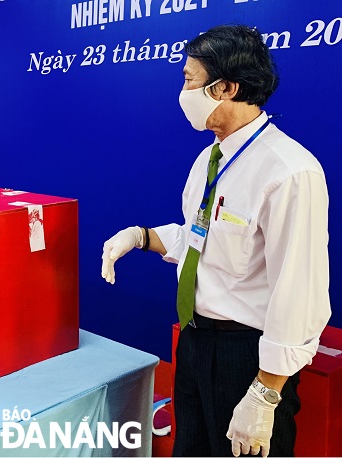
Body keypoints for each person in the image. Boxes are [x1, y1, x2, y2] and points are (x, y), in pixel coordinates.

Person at [101, 25, 330, 457]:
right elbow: (201, 237)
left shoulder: (289, 171)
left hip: (247, 357)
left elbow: (299, 292)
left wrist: (265, 394)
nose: (181, 90)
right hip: (195, 340)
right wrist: (141, 237)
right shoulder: (211, 157)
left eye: (189, 79)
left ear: (224, 87)